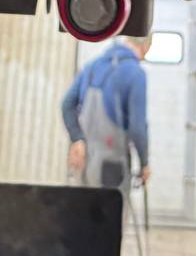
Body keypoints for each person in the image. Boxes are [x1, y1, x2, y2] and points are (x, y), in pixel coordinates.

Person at [61, 35, 152, 192]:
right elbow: (138, 128)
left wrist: (77, 138)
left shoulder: (92, 66)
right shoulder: (136, 73)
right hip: (112, 167)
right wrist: (144, 163)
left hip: (84, 163)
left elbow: (67, 104)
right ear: (146, 47)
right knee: (111, 207)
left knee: (82, 206)